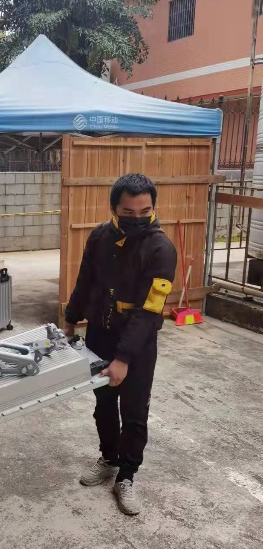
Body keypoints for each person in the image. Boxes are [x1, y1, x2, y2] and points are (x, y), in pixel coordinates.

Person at [64, 174, 177, 516]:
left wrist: (124, 358)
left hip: (138, 344)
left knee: (134, 411)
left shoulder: (161, 249)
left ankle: (126, 475)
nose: (137, 218)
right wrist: (70, 319)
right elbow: (85, 281)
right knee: (103, 405)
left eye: (145, 211)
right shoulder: (100, 236)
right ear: (114, 208)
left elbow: (149, 312)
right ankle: (109, 458)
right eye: (129, 212)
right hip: (101, 334)